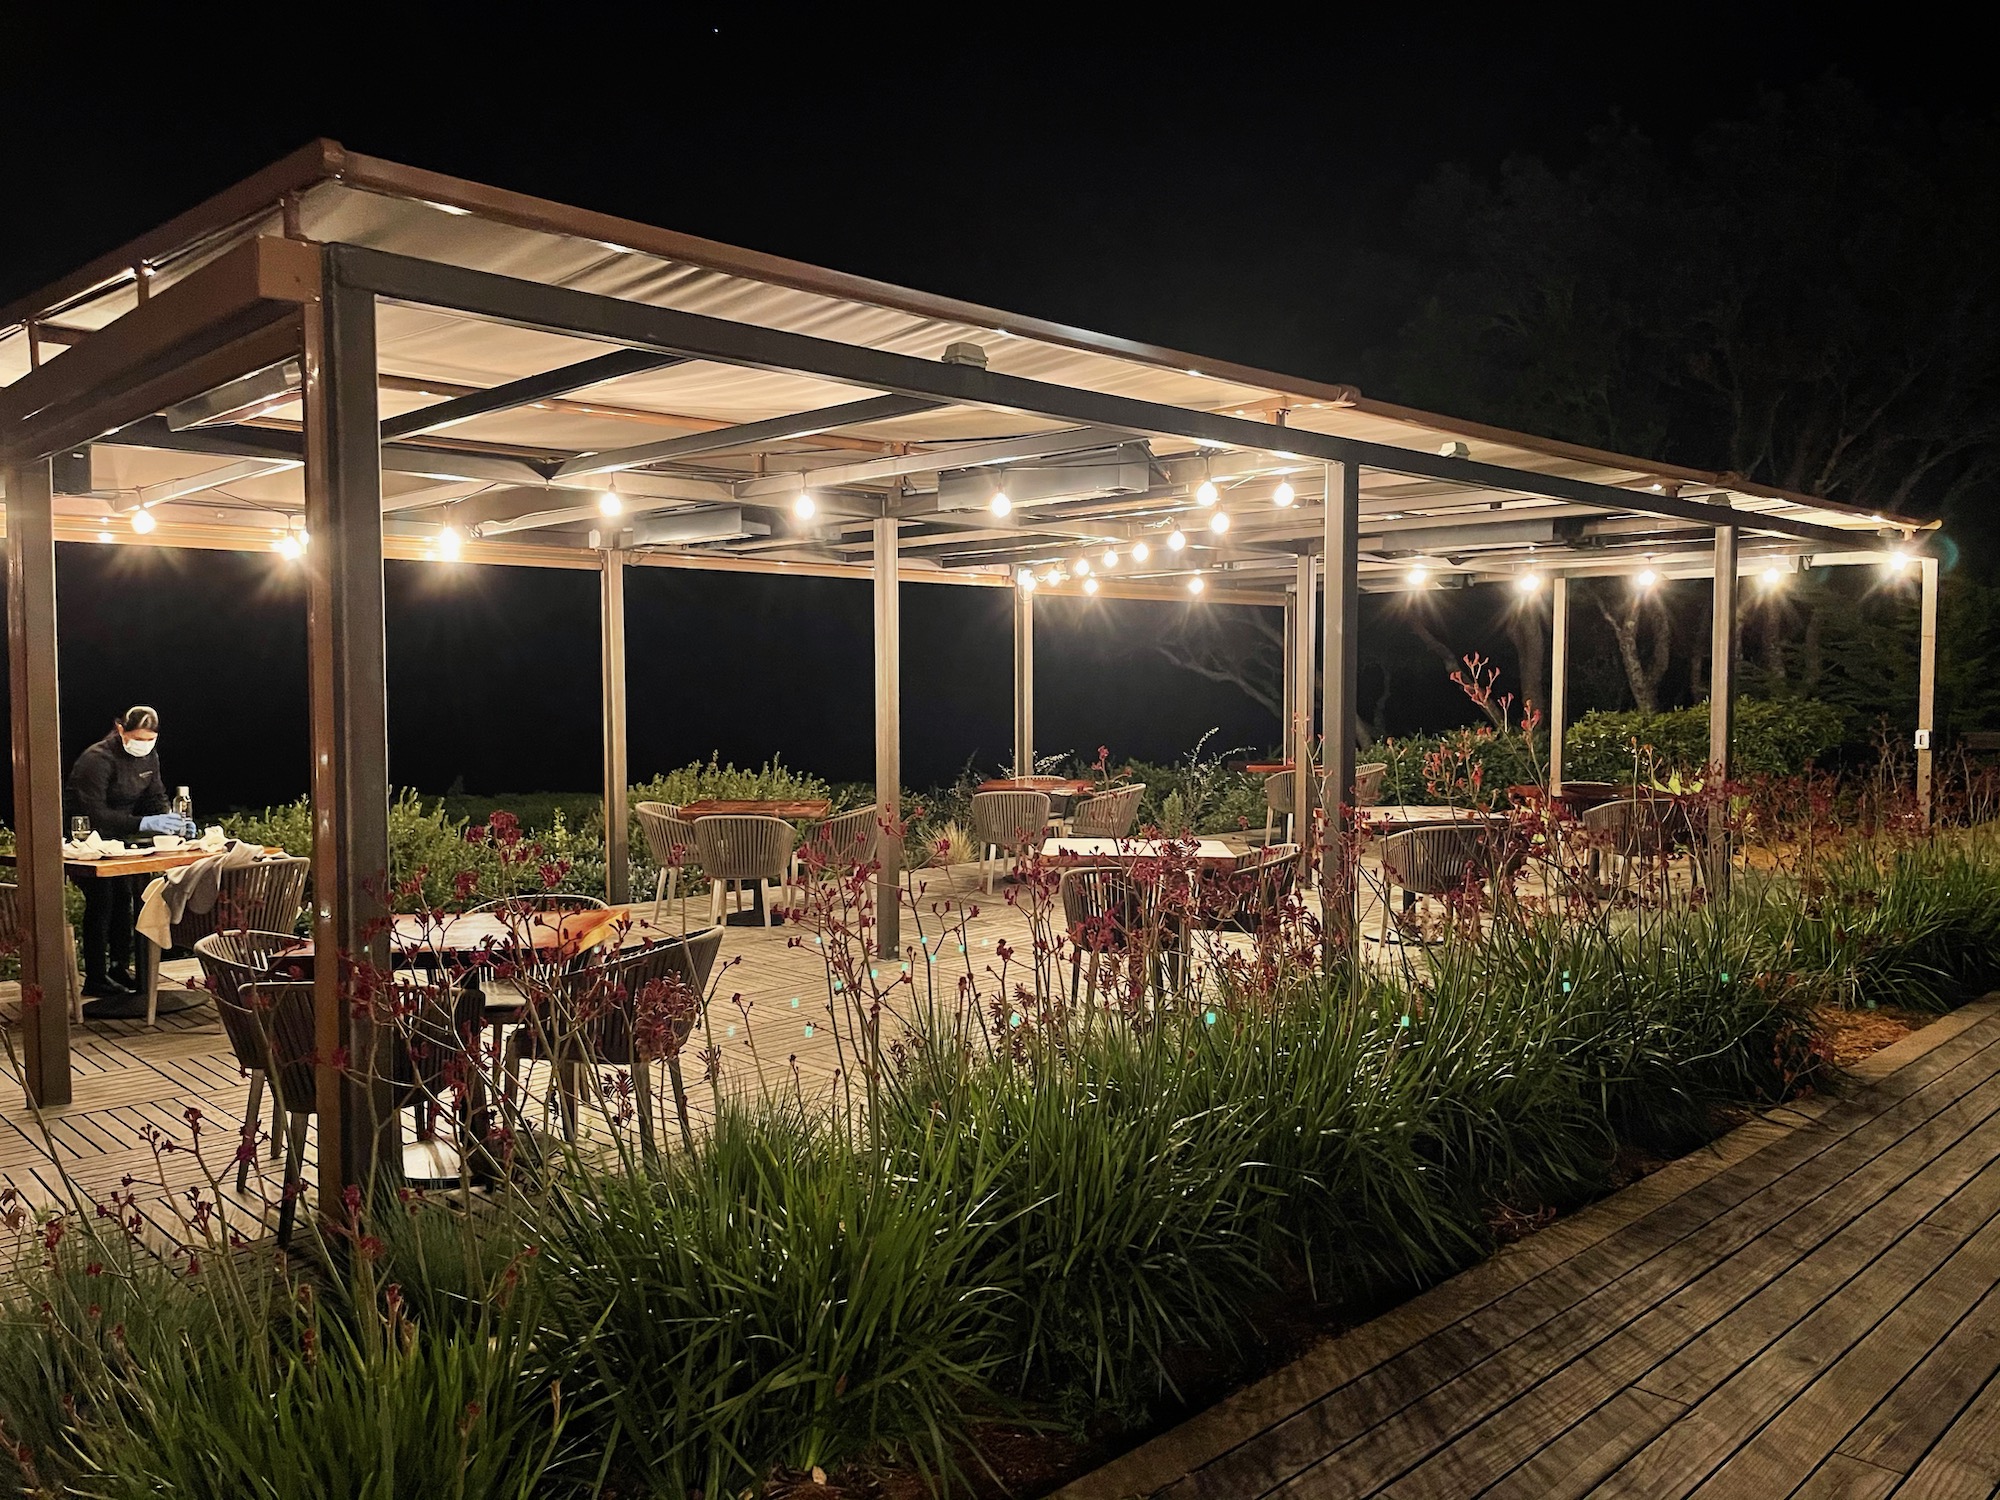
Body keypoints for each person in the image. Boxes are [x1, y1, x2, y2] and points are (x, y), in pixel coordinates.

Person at [63, 705, 194, 1001]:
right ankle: (96, 977)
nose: (143, 744)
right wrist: (145, 823)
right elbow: (94, 814)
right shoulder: (96, 759)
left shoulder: (149, 755)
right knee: (103, 899)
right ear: (120, 729)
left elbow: (155, 796)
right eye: (138, 737)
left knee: (126, 898)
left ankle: (119, 967)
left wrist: (172, 823)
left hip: (120, 840)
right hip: (87, 841)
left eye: (150, 739)